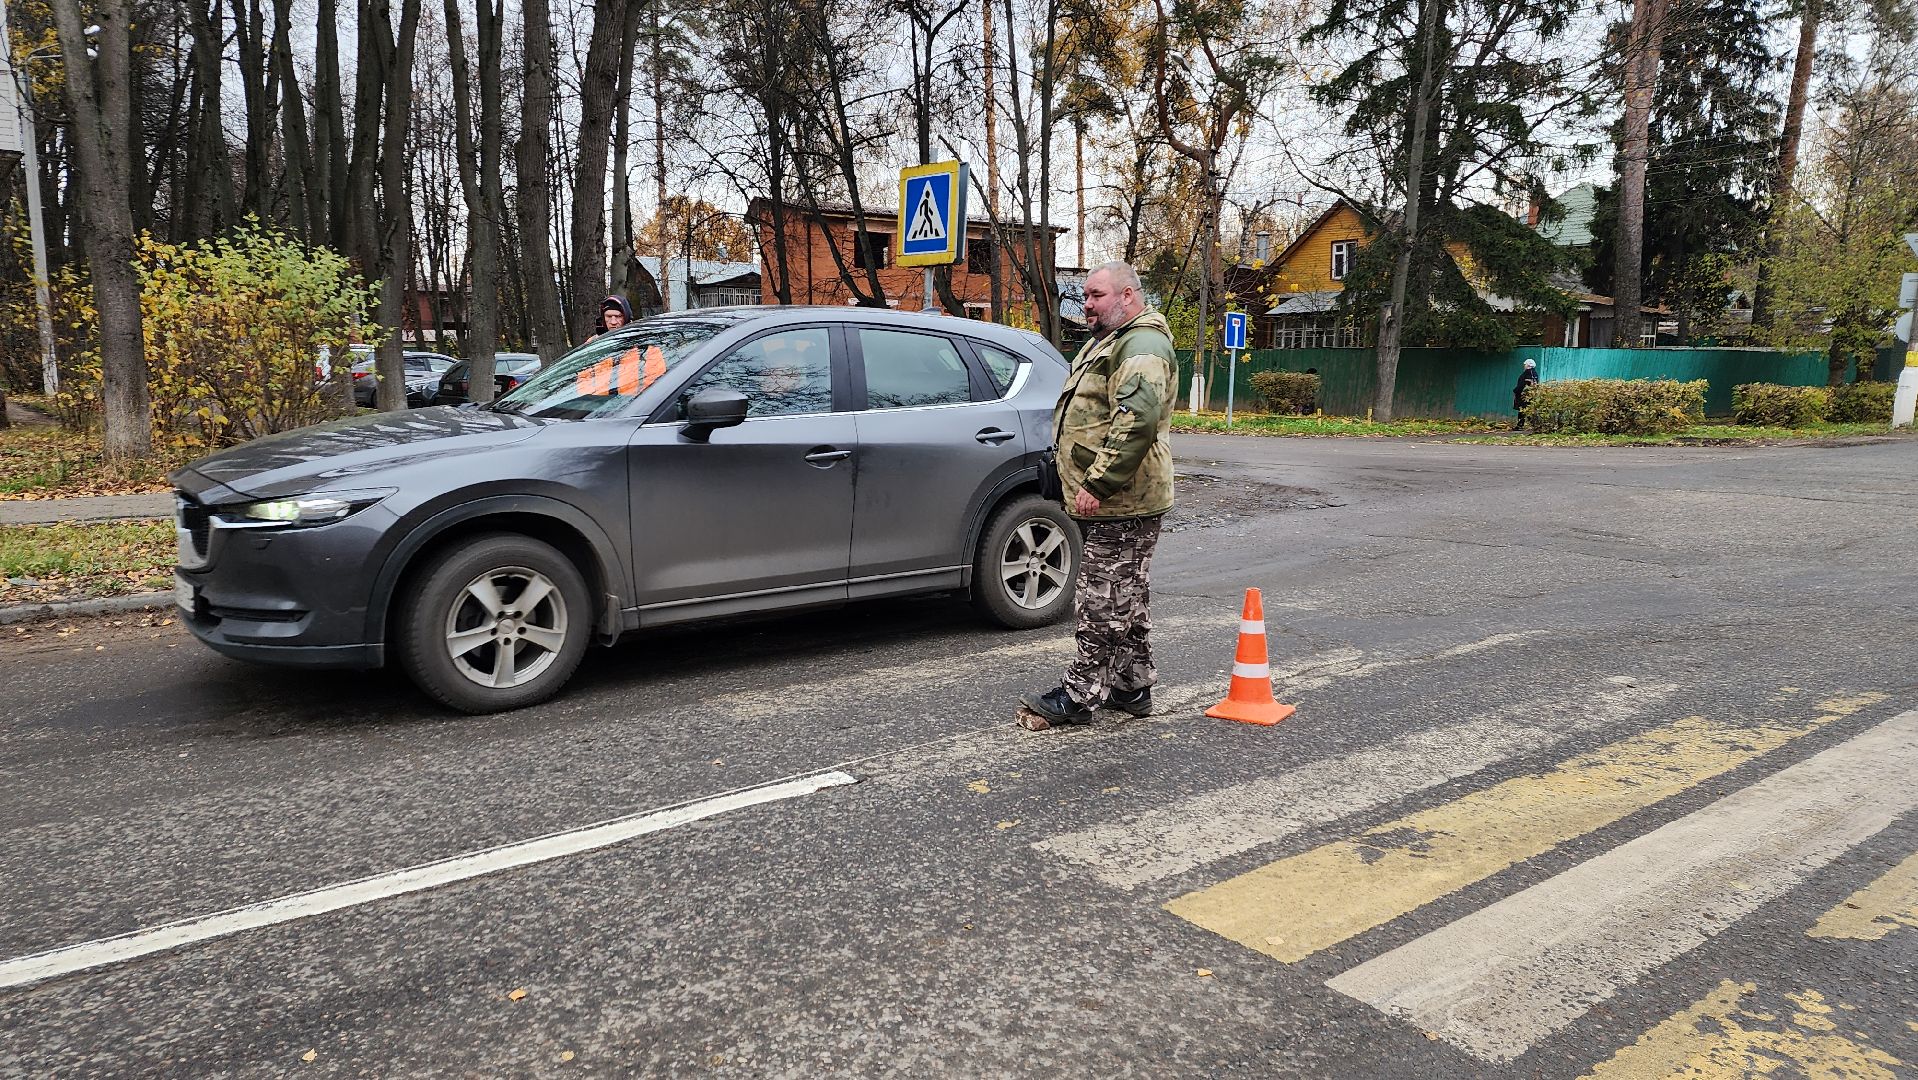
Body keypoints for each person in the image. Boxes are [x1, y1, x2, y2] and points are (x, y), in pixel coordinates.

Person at [1019, 260, 1176, 729]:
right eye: (1084, 296)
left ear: (1128, 295)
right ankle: (1132, 685)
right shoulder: (1111, 342)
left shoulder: (1141, 345)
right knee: (1126, 593)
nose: (1086, 304)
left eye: (1096, 295)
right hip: (1119, 497)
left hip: (1120, 499)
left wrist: (1097, 482)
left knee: (1101, 599)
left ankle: (1079, 695)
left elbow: (1137, 422)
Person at [1513, 357, 1539, 430]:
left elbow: (1522, 385)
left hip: (1524, 395)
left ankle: (1521, 425)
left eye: (1525, 365)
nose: (1524, 366)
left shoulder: (1527, 373)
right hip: (1530, 394)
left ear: (1528, 365)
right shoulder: (1534, 373)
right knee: (1527, 410)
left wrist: (1515, 390)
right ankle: (1532, 425)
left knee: (1523, 410)